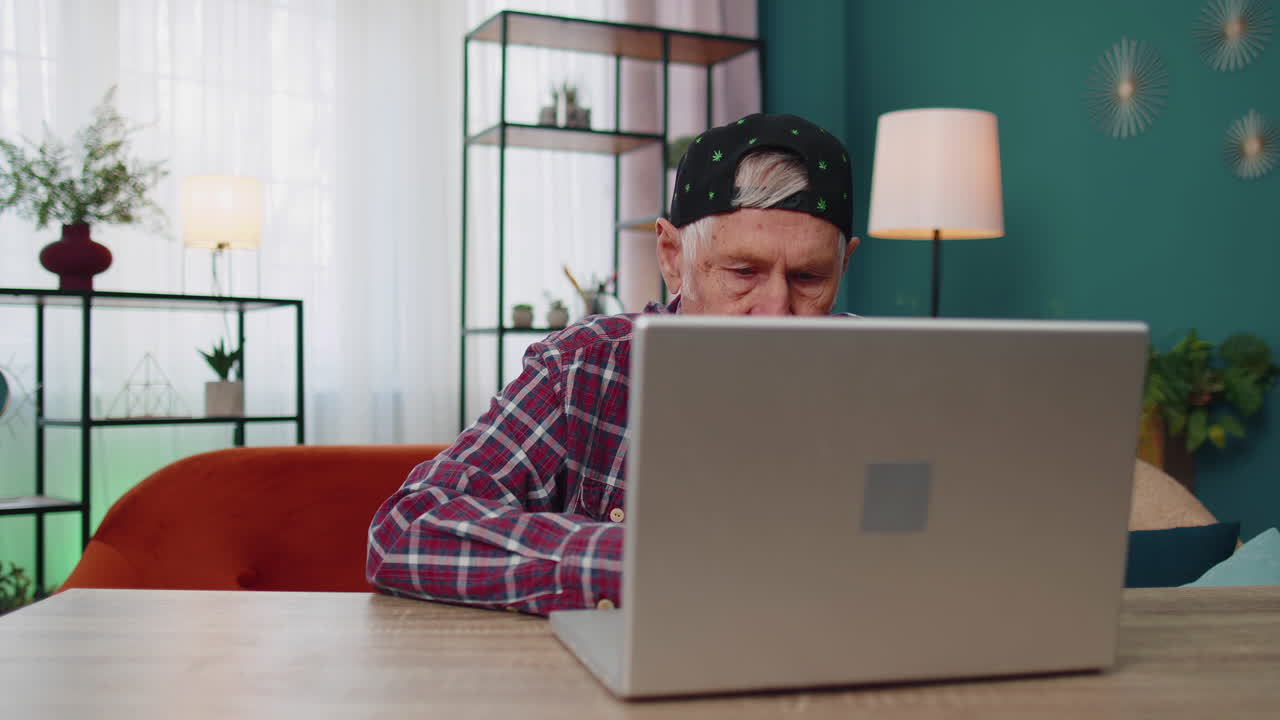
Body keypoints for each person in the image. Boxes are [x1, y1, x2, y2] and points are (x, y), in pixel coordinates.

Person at [366, 113, 860, 614]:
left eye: (807, 277)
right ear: (671, 256)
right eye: (742, 271)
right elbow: (407, 530)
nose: (775, 312)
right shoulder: (585, 368)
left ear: (843, 267)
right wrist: (638, 563)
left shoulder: (889, 380)